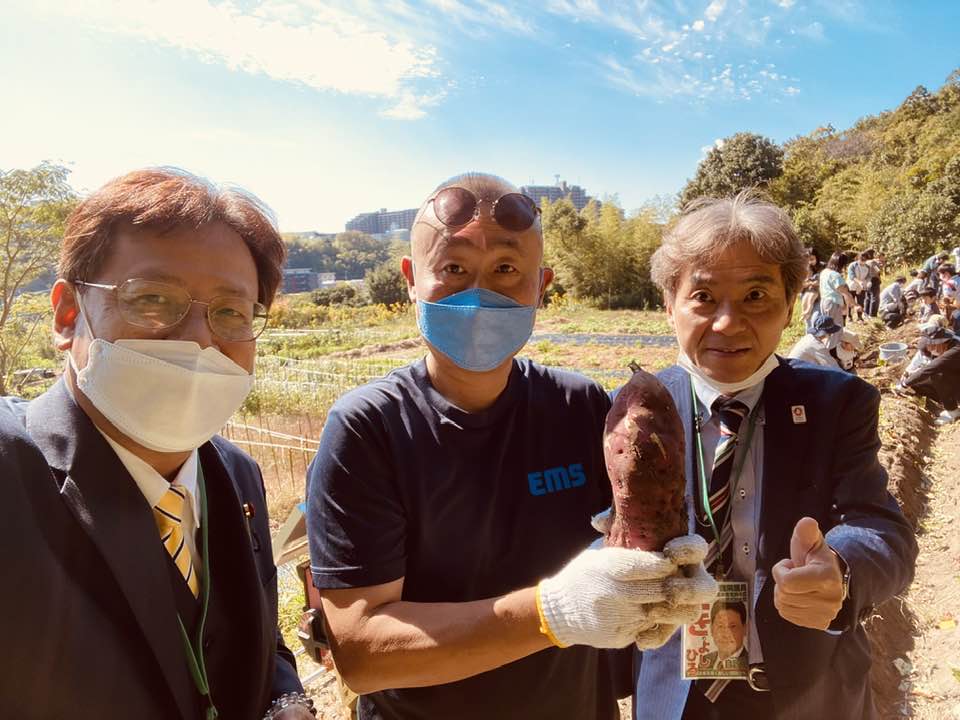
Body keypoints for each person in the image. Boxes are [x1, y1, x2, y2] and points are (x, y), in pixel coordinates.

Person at [304, 172, 715, 720]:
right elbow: (362, 653)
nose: (480, 294)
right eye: (453, 268)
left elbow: (627, 542)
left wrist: (663, 576)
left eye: (506, 270)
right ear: (410, 278)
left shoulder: (581, 407)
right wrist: (551, 612)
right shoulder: (369, 428)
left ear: (540, 285)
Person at [0, 169, 312, 719]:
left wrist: (286, 700)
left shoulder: (237, 475)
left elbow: (260, 642)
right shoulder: (11, 474)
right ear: (69, 314)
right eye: (152, 299)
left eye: (230, 312)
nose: (197, 340)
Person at [633, 192, 917, 720]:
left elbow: (881, 527)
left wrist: (843, 569)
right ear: (669, 303)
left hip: (809, 691)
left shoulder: (837, 402)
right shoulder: (636, 410)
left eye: (756, 295)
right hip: (679, 692)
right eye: (702, 296)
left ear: (790, 305)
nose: (726, 322)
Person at [899, 328, 960, 425]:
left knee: (936, 374)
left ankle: (952, 411)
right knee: (919, 381)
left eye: (931, 346)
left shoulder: (956, 349)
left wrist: (904, 384)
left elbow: (932, 367)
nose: (929, 350)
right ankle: (946, 403)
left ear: (940, 343)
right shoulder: (946, 346)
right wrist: (909, 375)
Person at [818, 251, 855, 347]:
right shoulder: (835, 275)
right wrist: (855, 305)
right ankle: (832, 352)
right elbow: (844, 292)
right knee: (836, 330)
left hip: (824, 302)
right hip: (833, 304)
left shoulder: (824, 272)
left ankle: (828, 349)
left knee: (828, 329)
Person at [699, 602, 748, 672]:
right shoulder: (704, 660)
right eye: (720, 626)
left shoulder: (751, 663)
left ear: (744, 629)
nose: (726, 634)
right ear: (711, 629)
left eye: (733, 626)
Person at [799, 247, 822, 332]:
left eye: (812, 259)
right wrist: (809, 283)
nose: (810, 262)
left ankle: (817, 337)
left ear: (817, 257)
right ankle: (809, 337)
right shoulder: (804, 269)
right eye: (807, 260)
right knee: (808, 321)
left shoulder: (822, 267)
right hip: (805, 294)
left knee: (816, 318)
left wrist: (816, 283)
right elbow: (800, 285)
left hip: (818, 296)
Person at [845, 252, 869, 322]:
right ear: (858, 258)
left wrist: (866, 283)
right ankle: (849, 316)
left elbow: (868, 276)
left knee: (861, 302)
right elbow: (851, 276)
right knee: (849, 302)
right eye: (862, 260)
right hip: (851, 286)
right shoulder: (852, 265)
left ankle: (860, 317)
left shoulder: (867, 267)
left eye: (865, 260)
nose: (863, 261)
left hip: (861, 287)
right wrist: (859, 282)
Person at [864, 249, 883, 318]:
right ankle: (873, 314)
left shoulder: (865, 262)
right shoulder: (872, 262)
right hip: (874, 280)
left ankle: (866, 313)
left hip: (866, 280)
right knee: (875, 297)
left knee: (868, 297)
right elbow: (877, 271)